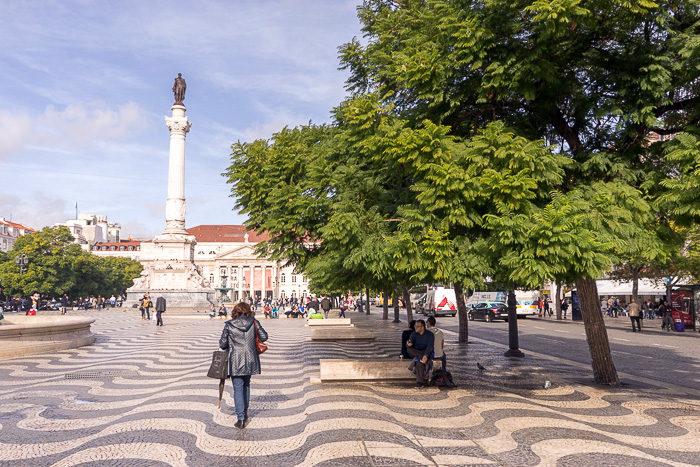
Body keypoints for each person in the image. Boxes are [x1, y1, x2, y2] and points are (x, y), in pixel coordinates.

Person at [218, 302, 268, 429]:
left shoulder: (229, 325)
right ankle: (244, 414)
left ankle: (240, 418)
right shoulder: (254, 322)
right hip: (251, 358)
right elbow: (264, 336)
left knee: (238, 387)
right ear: (248, 311)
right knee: (246, 385)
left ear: (236, 311)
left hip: (236, 359)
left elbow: (222, 344)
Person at [406, 320, 434, 388]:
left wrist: (426, 355)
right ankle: (423, 358)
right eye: (415, 326)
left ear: (422, 327)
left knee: (419, 362)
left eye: (417, 326)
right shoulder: (414, 334)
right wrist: (408, 344)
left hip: (426, 352)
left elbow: (430, 347)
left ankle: (419, 382)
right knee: (409, 349)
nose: (415, 328)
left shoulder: (430, 335)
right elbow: (409, 342)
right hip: (417, 352)